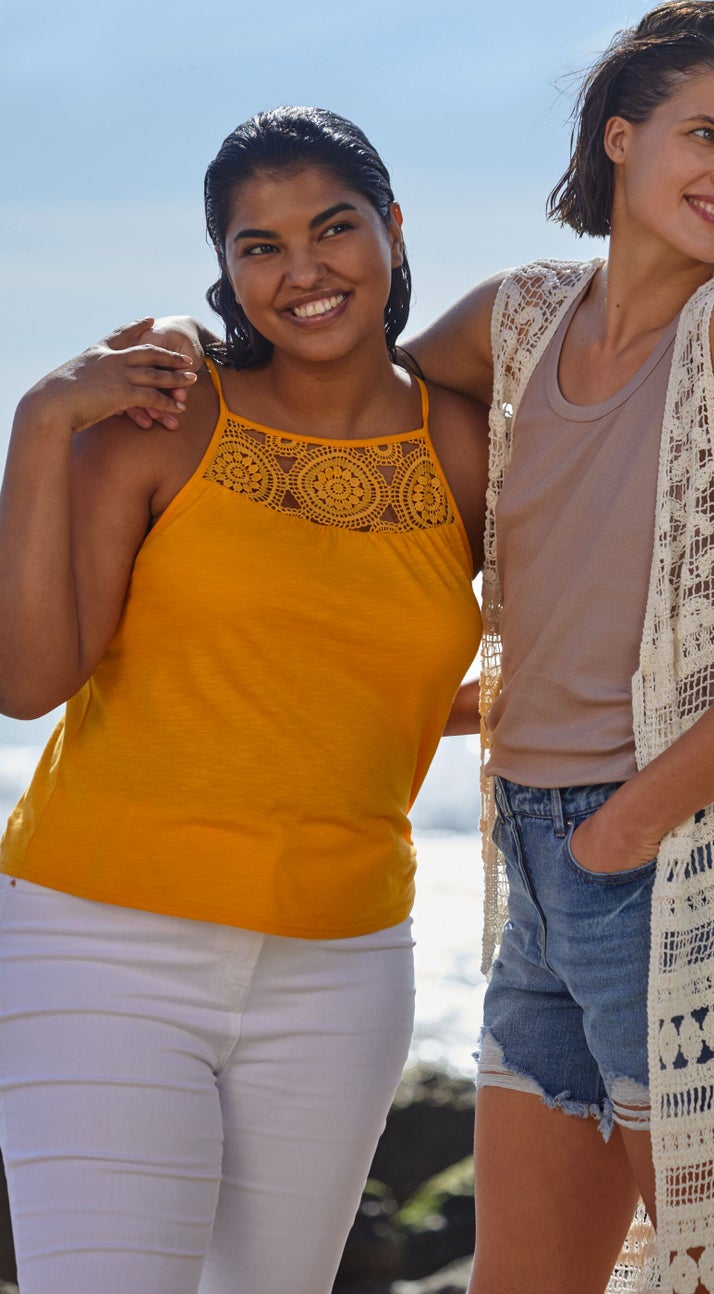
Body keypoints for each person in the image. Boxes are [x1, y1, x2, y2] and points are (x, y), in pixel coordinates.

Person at [398, 4, 714, 1291]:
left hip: (676, 863)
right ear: (619, 138)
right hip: (533, 871)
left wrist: (626, 830)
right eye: (706, 134)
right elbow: (374, 400)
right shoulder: (520, 317)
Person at [0, 106, 486, 1294]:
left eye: (334, 228)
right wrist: (40, 418)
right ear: (223, 268)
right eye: (259, 246)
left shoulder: (470, 451)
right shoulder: (162, 422)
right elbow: (26, 681)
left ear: (393, 228)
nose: (303, 271)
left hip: (345, 965)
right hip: (96, 940)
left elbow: (421, 666)